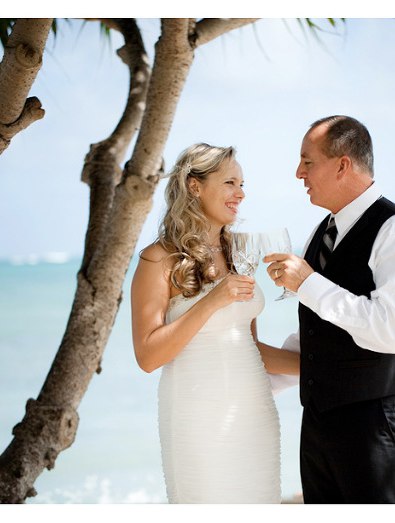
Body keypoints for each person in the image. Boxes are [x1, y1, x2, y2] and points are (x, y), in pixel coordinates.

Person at [264, 116, 395, 503]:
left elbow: (391, 333)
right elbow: (320, 339)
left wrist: (308, 284)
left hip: (373, 430)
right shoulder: (320, 233)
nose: (298, 173)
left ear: (343, 164)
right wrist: (249, 384)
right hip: (316, 430)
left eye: (308, 162)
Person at [130, 143, 298, 503]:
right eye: (230, 183)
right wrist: (211, 301)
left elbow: (250, 348)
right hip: (197, 417)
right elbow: (147, 356)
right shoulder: (158, 258)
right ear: (194, 186)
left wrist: (322, 366)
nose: (240, 193)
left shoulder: (239, 251)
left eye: (242, 184)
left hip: (253, 412)